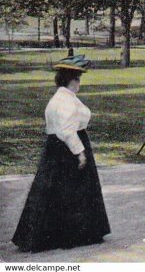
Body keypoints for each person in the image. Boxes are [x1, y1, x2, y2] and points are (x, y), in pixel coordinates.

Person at [13, 55, 111, 253]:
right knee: (73, 192)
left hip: (55, 148)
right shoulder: (65, 100)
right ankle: (73, 235)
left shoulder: (60, 97)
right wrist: (80, 152)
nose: (79, 83)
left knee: (52, 191)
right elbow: (67, 130)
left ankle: (47, 235)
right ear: (71, 80)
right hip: (67, 148)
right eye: (78, 79)